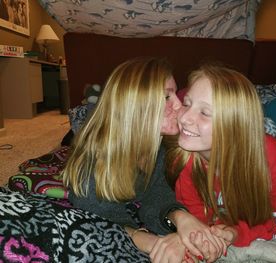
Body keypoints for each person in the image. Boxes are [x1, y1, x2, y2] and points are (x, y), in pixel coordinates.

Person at [63, 57, 226, 263]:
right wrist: (155, 243)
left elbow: (157, 193)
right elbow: (101, 223)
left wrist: (181, 218)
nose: (179, 106)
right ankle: (91, 104)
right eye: (167, 97)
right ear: (136, 106)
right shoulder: (90, 169)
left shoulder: (160, 146)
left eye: (176, 94)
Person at [165, 63, 276, 256]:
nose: (185, 117)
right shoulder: (184, 157)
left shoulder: (268, 155)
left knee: (273, 125)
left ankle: (266, 120)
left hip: (256, 140)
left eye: (204, 112)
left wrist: (236, 232)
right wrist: (205, 237)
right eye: (187, 103)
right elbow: (194, 213)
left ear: (233, 125)